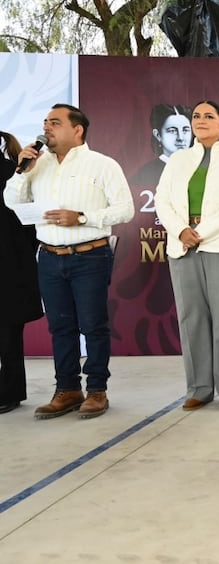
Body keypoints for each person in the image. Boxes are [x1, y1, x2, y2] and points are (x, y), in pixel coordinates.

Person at [4, 104, 134, 419]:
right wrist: (21, 171)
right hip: (49, 257)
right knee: (60, 327)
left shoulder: (102, 165)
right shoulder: (36, 164)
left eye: (55, 123)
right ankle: (67, 390)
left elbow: (125, 210)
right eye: (45, 122)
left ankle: (97, 391)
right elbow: (10, 200)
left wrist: (82, 217)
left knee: (93, 326)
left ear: (77, 130)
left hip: (90, 255)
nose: (47, 127)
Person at [154, 101, 219, 412]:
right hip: (182, 246)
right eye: (196, 116)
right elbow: (162, 200)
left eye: (208, 116)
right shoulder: (178, 160)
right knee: (191, 318)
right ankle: (198, 387)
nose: (200, 120)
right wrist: (181, 231)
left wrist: (202, 231)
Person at [0, 131, 44, 414]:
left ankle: (10, 392)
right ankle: (10, 393)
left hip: (9, 266)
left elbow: (30, 221)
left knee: (7, 334)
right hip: (13, 266)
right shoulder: (10, 170)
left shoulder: (13, 174)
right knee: (8, 335)